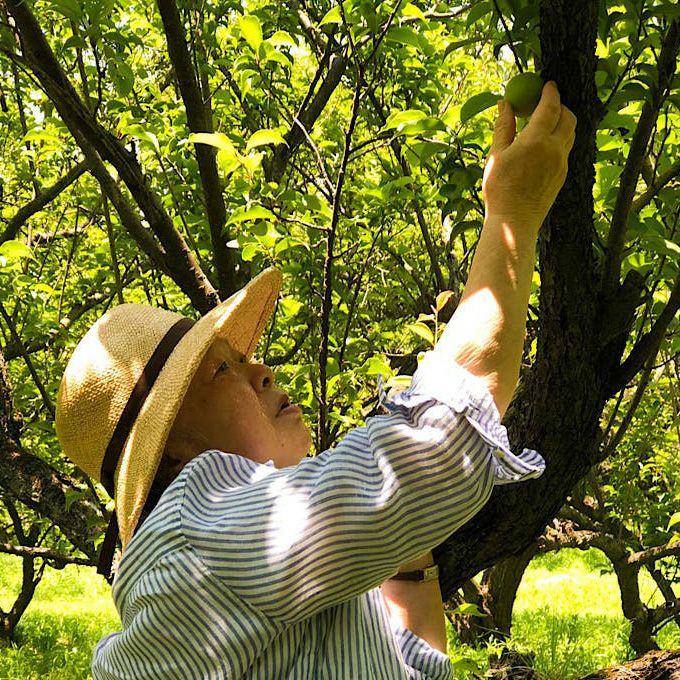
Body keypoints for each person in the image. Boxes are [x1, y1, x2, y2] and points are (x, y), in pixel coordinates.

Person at [55, 80, 576, 679]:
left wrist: (402, 542)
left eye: (241, 358)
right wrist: (512, 214)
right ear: (174, 454)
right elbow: (440, 444)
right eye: (222, 369)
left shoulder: (257, 569)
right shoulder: (200, 529)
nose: (262, 370)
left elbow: (411, 665)